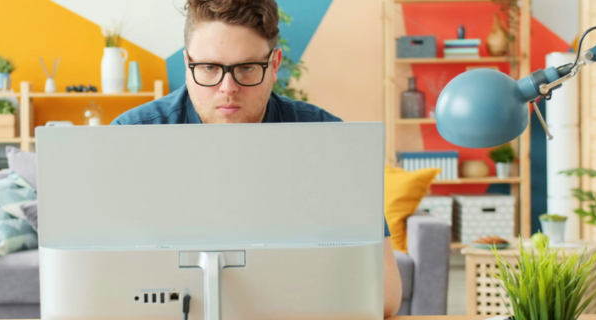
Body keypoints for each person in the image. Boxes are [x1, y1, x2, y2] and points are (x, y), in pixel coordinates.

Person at [111, 0, 402, 316]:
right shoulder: (129, 138)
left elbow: (384, 294)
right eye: (209, 68)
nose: (228, 88)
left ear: (275, 64)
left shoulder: (329, 140)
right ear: (187, 63)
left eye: (246, 68)